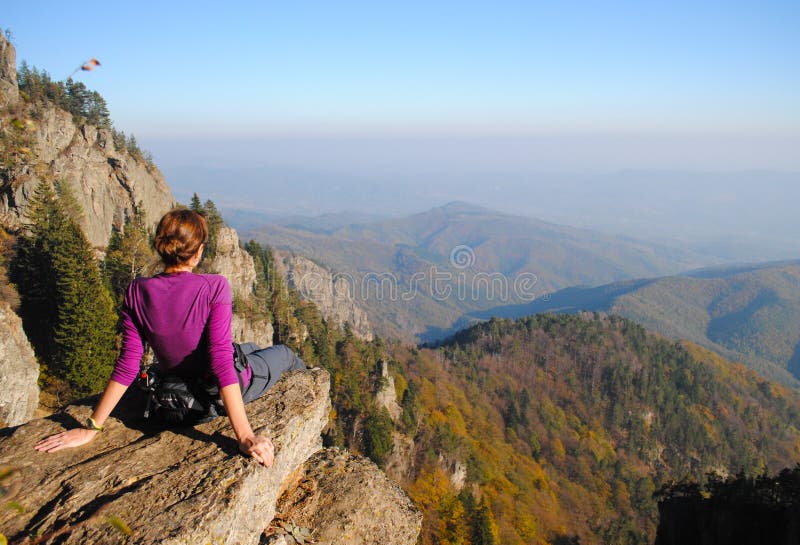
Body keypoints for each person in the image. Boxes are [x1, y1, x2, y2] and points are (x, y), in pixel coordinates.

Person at [34, 209, 307, 467]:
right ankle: (308, 379)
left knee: (251, 347)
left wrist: (91, 428)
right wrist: (245, 436)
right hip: (212, 391)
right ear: (198, 252)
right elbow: (222, 361)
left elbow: (129, 364)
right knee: (284, 353)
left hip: (174, 389)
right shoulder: (214, 286)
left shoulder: (137, 291)